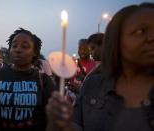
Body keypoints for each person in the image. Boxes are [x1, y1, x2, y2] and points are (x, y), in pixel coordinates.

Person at [46, 2, 154, 131]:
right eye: (141, 31)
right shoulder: (93, 85)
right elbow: (75, 126)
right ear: (116, 40)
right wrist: (58, 123)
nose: (152, 37)